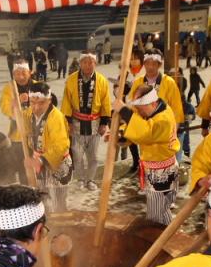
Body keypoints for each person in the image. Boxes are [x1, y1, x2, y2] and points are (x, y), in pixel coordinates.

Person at [114, 85, 181, 225]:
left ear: (153, 103)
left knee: (157, 214)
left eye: (141, 109)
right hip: (159, 168)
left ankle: (161, 238)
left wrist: (124, 111)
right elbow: (137, 125)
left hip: (162, 172)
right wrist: (119, 135)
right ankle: (164, 233)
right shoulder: (152, 112)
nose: (139, 112)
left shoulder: (164, 118)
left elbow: (145, 133)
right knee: (162, 210)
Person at [60, 51, 110, 191]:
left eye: (91, 62)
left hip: (95, 123)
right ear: (80, 63)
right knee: (77, 155)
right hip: (76, 123)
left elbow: (106, 103)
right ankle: (81, 179)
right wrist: (68, 122)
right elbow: (66, 102)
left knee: (93, 156)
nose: (88, 65)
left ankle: (91, 180)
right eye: (85, 62)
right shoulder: (71, 80)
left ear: (96, 63)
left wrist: (104, 123)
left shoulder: (101, 80)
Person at [24, 82, 72, 212]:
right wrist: (14, 110)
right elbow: (23, 127)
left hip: (57, 164)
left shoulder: (56, 117)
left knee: (58, 202)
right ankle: (45, 225)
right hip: (38, 162)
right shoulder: (29, 113)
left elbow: (61, 145)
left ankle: (61, 227)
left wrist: (40, 160)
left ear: (49, 100)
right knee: (41, 198)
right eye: (32, 103)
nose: (36, 107)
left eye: (41, 103)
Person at [0, 59, 41, 184]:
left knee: (38, 163)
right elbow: (4, 108)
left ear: (30, 72)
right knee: (23, 166)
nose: (21, 76)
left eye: (23, 73)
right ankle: (26, 189)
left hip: (36, 133)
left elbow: (46, 105)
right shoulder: (9, 88)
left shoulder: (37, 85)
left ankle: (40, 187)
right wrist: (17, 101)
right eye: (17, 73)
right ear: (13, 74)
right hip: (18, 135)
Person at [129, 48, 184, 133]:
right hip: (145, 129)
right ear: (144, 64)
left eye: (154, 64)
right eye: (147, 63)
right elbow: (133, 108)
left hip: (165, 129)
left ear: (159, 65)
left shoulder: (169, 82)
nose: (150, 67)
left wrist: (173, 133)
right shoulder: (138, 82)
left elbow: (176, 109)